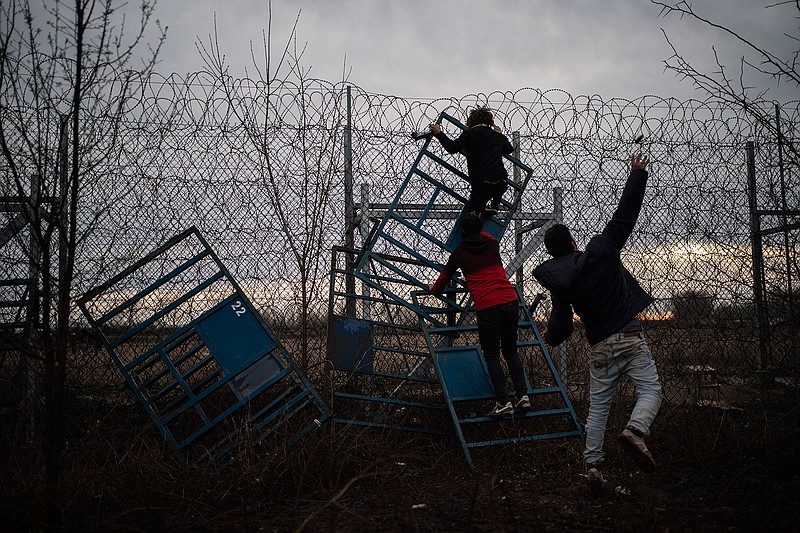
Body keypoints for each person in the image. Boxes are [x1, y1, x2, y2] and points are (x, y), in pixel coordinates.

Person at [532, 154, 662, 494]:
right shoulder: (601, 250)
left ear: (550, 253)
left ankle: (593, 467)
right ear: (574, 243)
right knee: (651, 390)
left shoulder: (561, 284)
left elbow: (561, 326)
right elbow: (625, 216)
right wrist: (637, 173)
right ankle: (635, 430)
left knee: (598, 409)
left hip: (600, 345)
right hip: (630, 336)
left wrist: (550, 336)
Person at [427, 213, 529, 417]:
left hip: (488, 306)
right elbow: (484, 234)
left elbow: (441, 283)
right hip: (510, 300)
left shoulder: (459, 253)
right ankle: (523, 396)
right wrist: (478, 220)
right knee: (510, 351)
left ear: (462, 232)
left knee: (491, 354)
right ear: (480, 228)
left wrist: (432, 289)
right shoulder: (492, 245)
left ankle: (503, 402)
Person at [428, 106, 513, 217]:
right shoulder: (496, 135)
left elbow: (452, 148)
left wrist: (439, 133)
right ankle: (493, 206)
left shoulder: (470, 133)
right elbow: (509, 149)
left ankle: (479, 213)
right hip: (501, 181)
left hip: (481, 183)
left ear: (471, 121)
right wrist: (500, 134)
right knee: (496, 188)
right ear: (489, 121)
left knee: (472, 216)